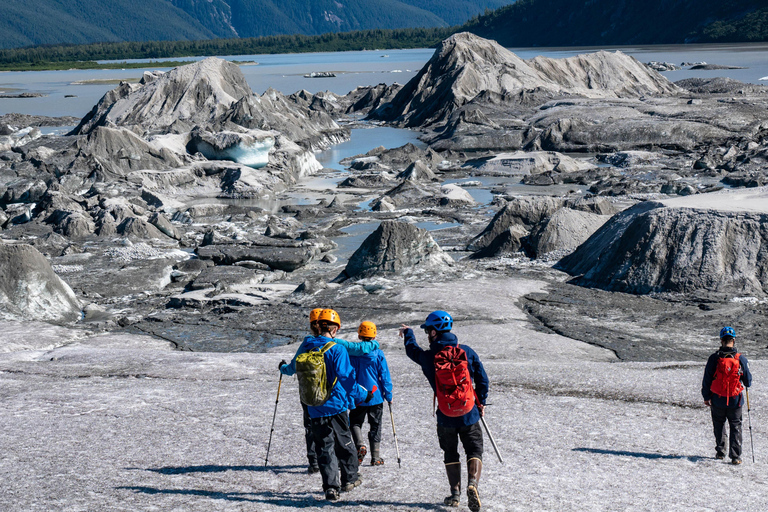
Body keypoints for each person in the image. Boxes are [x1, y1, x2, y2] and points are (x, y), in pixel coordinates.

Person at [280, 309, 374, 501]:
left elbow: (292, 368)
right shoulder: (337, 349)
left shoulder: (306, 345)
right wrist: (363, 394)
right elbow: (347, 378)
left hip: (314, 406)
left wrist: (282, 368)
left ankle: (331, 487)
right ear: (335, 329)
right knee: (344, 442)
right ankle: (350, 478)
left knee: (324, 447)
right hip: (337, 405)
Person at [399, 311, 489, 512]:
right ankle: (472, 483)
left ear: (433, 332)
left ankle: (455, 494)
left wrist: (408, 334)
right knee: (474, 450)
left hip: (445, 415)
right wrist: (480, 403)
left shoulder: (428, 357)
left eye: (427, 331)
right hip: (469, 412)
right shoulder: (467, 351)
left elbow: (412, 350)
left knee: (450, 451)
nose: (427, 335)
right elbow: (483, 380)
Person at [702, 326, 753, 465]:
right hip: (735, 400)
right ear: (733, 340)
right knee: (735, 426)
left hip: (717, 398)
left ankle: (720, 452)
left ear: (721, 340)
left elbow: (707, 379)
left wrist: (706, 396)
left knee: (719, 425)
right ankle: (735, 457)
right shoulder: (740, 358)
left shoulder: (714, 358)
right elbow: (748, 381)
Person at [349, 321, 393, 466]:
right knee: (375, 425)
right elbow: (384, 375)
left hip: (359, 396)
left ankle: (360, 445)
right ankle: (376, 457)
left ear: (360, 334)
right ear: (374, 335)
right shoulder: (378, 353)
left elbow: (350, 375)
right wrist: (389, 394)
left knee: (355, 422)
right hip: (376, 396)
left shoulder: (353, 354)